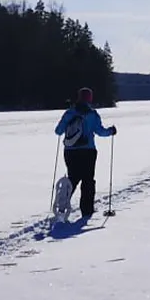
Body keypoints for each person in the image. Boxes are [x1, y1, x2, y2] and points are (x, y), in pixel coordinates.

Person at [55, 87, 117, 218]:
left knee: (73, 177)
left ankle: (62, 203)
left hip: (70, 152)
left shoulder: (69, 113)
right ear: (90, 99)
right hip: (88, 151)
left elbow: (58, 131)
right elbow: (100, 132)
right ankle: (87, 210)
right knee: (88, 180)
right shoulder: (92, 114)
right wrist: (111, 131)